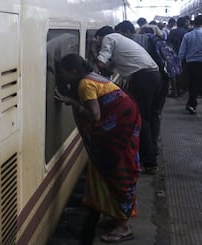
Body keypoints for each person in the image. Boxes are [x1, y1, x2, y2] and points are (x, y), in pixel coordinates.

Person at [54, 53, 141, 243]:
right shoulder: (92, 76)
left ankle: (123, 226)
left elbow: (94, 115)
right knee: (118, 171)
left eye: (64, 73)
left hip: (118, 131)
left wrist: (73, 103)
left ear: (74, 71)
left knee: (118, 173)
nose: (62, 77)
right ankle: (117, 217)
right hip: (126, 123)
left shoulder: (85, 85)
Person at [94, 26, 163, 175]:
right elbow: (110, 70)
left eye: (97, 40)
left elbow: (100, 63)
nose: (98, 43)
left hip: (143, 78)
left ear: (100, 36)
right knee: (148, 118)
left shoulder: (109, 38)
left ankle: (150, 163)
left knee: (141, 119)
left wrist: (94, 50)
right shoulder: (122, 41)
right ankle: (150, 154)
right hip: (154, 76)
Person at [178, 15, 202, 114]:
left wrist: (179, 64)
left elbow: (182, 52)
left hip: (191, 64)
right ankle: (191, 104)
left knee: (193, 85)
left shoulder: (187, 36)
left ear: (194, 23)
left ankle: (191, 105)